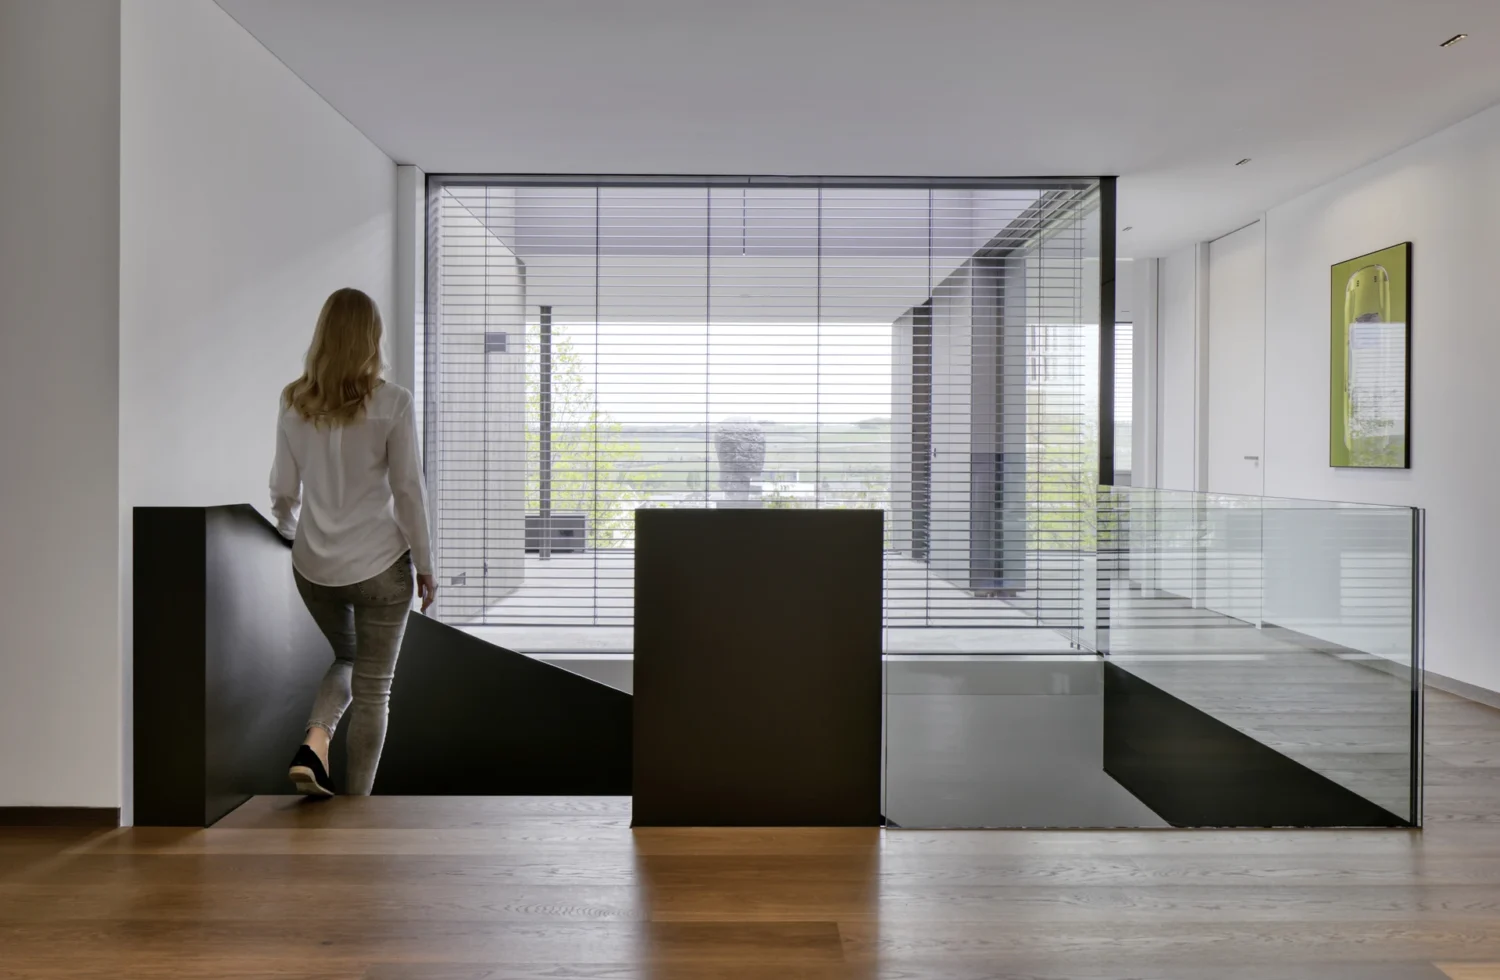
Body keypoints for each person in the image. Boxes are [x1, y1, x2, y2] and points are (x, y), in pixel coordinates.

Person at [270, 287, 437, 798]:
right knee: (373, 690)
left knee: (347, 658)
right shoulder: (393, 402)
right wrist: (426, 565)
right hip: (380, 569)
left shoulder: (294, 400)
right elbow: (408, 492)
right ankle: (358, 811)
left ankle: (315, 742)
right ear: (373, 337)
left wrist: (288, 529)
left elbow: (283, 489)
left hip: (314, 568)